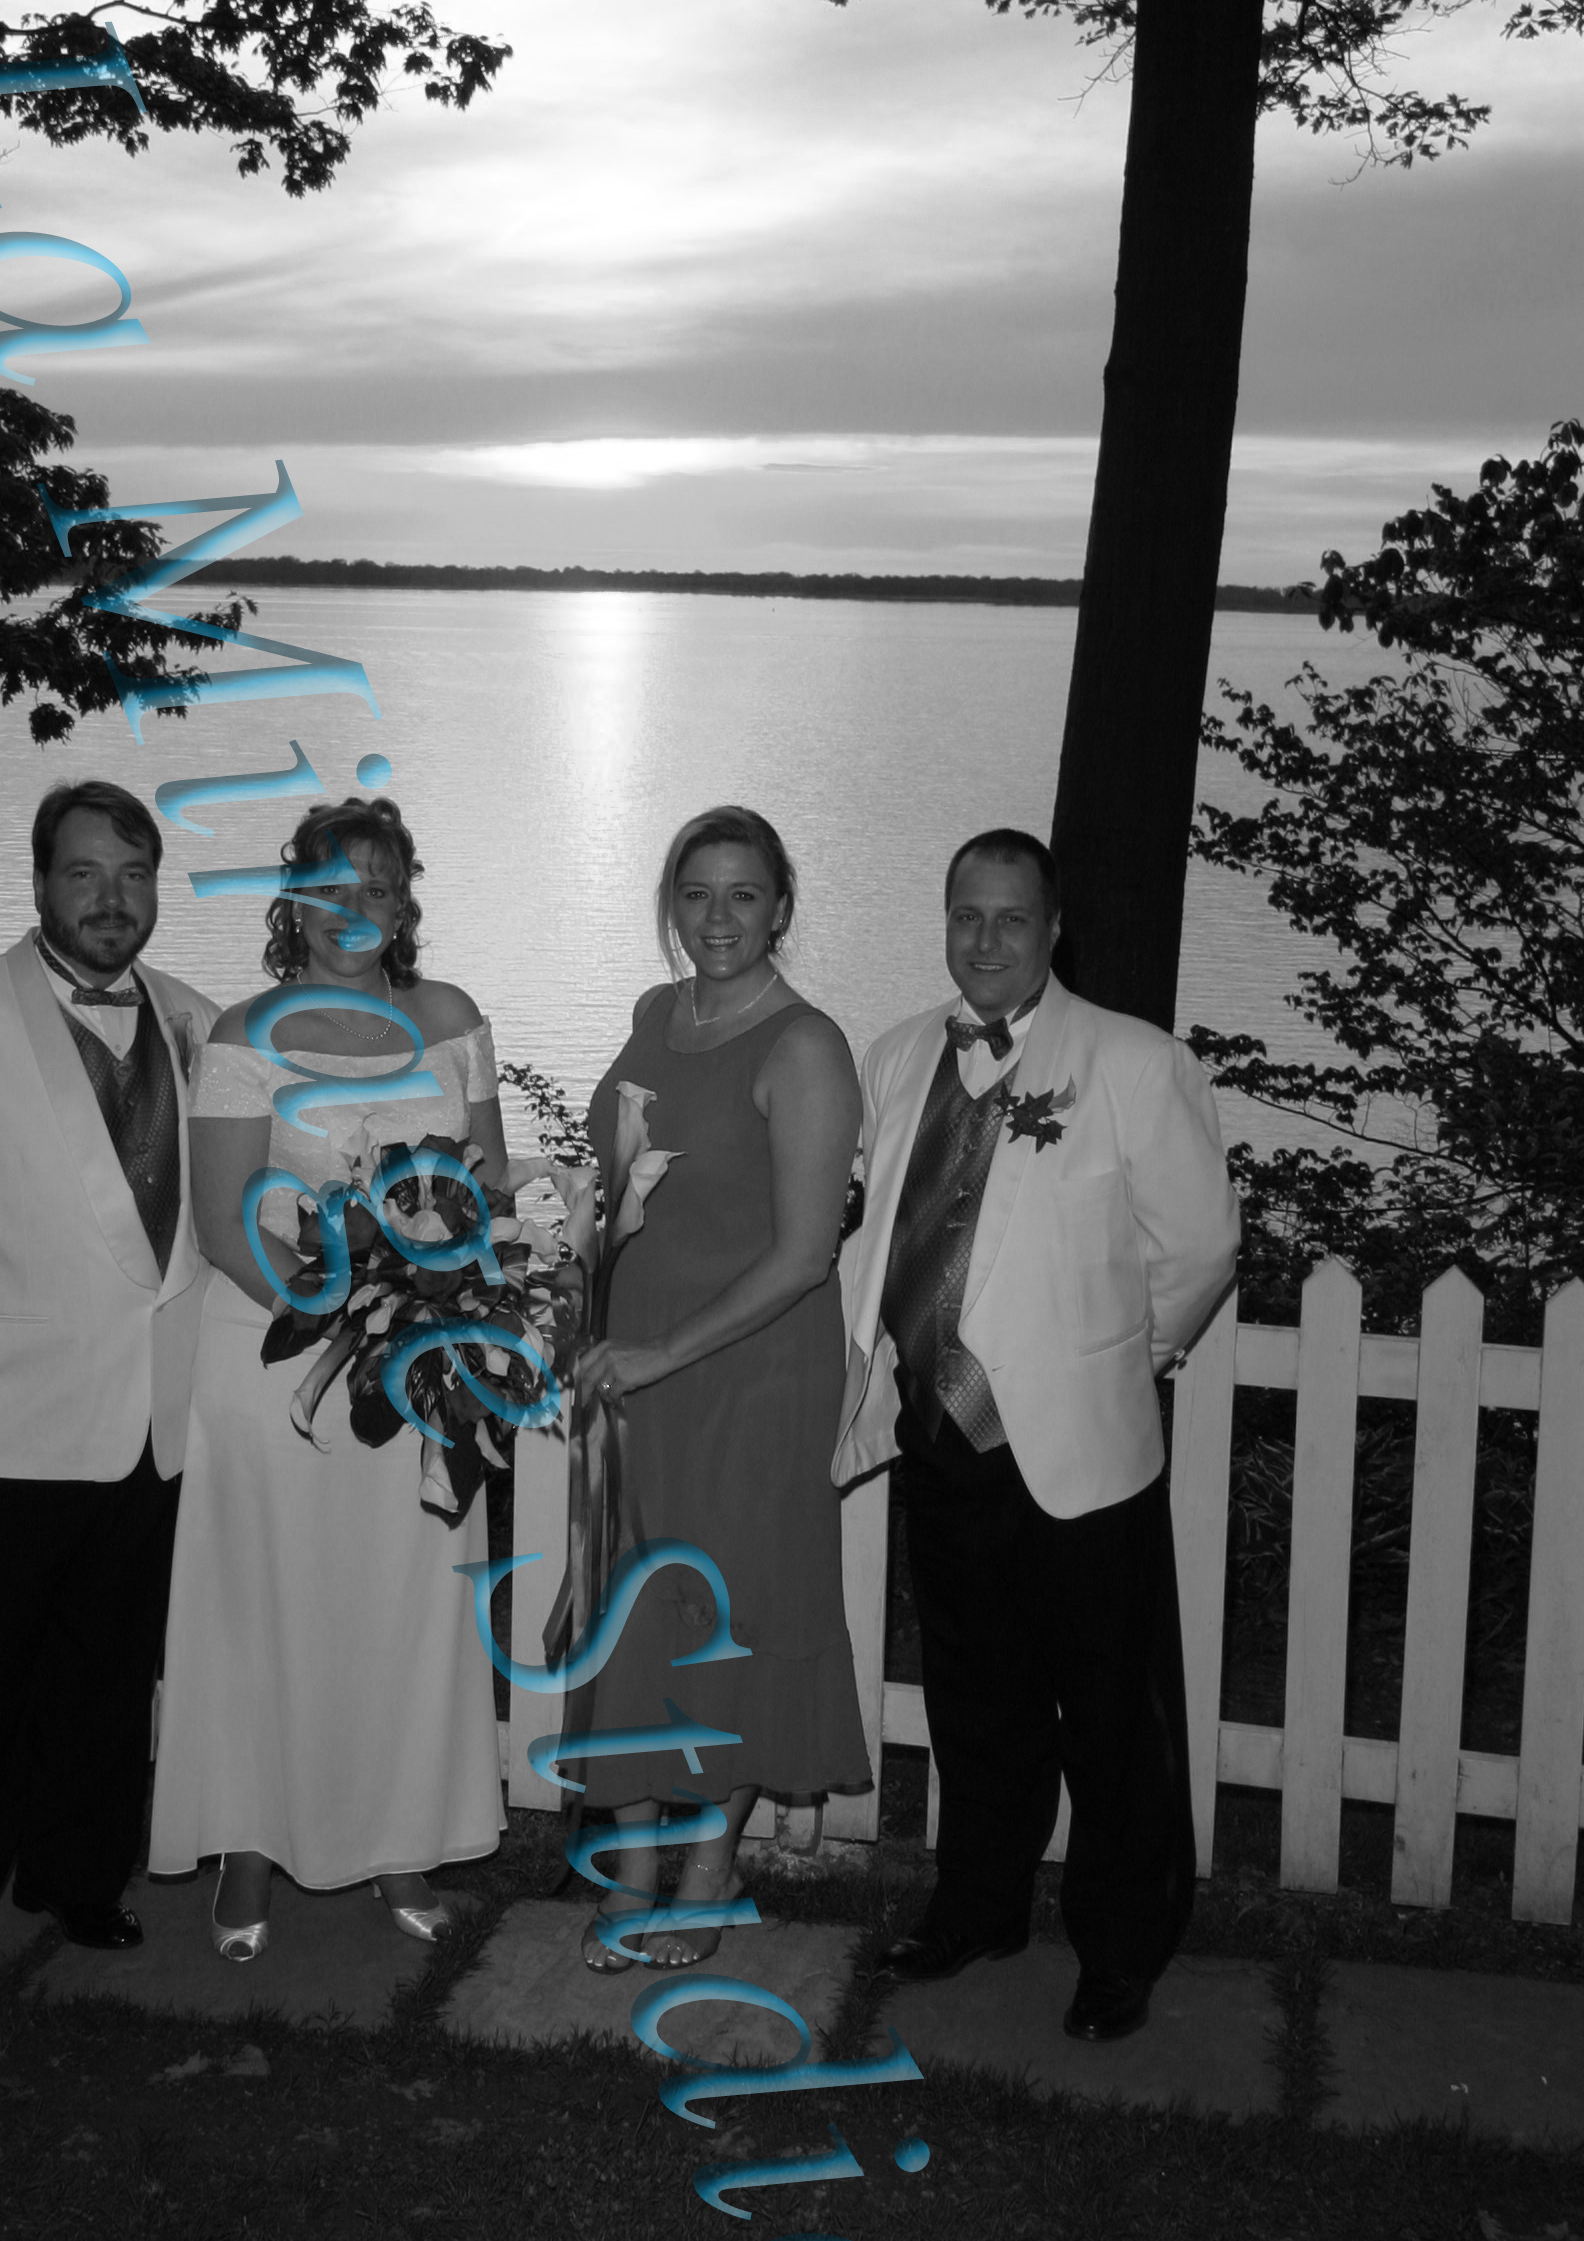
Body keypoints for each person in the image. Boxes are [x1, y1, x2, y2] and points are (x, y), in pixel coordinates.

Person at [835, 828, 1239, 2042]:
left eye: (1010, 917)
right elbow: (881, 1230)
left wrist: (1110, 1362)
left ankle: (1119, 1948)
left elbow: (1197, 1251)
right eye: (965, 914)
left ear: (1053, 928)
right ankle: (979, 1906)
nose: (985, 939)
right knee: (973, 1700)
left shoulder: (1133, 1062)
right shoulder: (896, 1055)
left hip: (1078, 1455)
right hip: (938, 1441)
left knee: (1108, 1715)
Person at [0, 780, 217, 1993]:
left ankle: (76, 1876)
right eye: (83, 873)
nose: (111, 899)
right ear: (39, 883)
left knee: (107, 1679)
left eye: (133, 874)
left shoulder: (199, 1021)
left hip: (154, 1423)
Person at [148, 795, 508, 1955]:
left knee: (403, 1607)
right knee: (266, 1609)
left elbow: (489, 1190)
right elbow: (224, 1223)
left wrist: (434, 1309)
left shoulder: (449, 1019)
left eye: (381, 887)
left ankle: (400, 1841)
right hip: (276, 1369)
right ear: (292, 900)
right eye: (333, 886)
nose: (358, 909)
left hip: (418, 1375)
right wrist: (351, 1320)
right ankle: (247, 1850)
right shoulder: (244, 1035)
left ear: (405, 905)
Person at [572, 807, 868, 1972]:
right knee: (639, 1608)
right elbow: (621, 1192)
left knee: (725, 1613)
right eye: (695, 894)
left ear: (780, 907)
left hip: (749, 1374)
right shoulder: (656, 1015)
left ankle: (708, 1870)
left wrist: (658, 1353)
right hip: (638, 1362)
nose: (717, 917)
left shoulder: (804, 1048)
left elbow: (804, 1255)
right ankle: (632, 1868)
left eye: (743, 894)